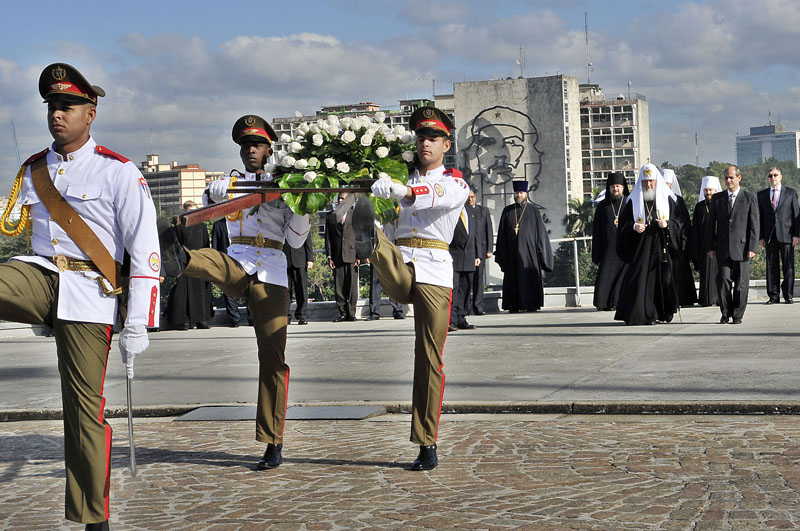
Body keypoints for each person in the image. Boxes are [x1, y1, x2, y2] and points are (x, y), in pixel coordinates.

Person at [0, 63, 160, 530]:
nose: (58, 114)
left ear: (90, 113)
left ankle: (95, 519)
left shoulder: (118, 172)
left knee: (82, 412)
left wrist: (137, 324)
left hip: (90, 295)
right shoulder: (32, 170)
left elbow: (144, 247)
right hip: (40, 277)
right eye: (52, 106)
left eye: (68, 106)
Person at [160, 114, 311, 469]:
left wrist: (302, 205)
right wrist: (213, 191)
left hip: (272, 269)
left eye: (256, 145)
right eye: (244, 146)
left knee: (273, 358)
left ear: (269, 149)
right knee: (212, 262)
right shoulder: (229, 182)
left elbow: (296, 240)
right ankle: (180, 258)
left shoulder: (284, 183)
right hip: (239, 260)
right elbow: (210, 201)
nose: (249, 151)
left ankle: (272, 440)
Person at [351, 105, 469, 470]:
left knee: (429, 359)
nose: (425, 143)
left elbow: (431, 194)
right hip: (400, 263)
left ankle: (426, 442)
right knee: (381, 245)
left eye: (433, 138)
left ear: (446, 144)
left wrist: (401, 189)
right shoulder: (396, 176)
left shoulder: (455, 183)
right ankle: (369, 242)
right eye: (421, 137)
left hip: (434, 272)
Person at [614, 164, 682, 325]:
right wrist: (633, 226)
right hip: (641, 249)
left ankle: (663, 313)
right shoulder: (632, 202)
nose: (649, 185)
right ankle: (644, 314)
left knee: (663, 281)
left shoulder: (668, 200)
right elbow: (623, 225)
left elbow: (679, 223)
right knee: (640, 281)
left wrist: (667, 225)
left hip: (661, 247)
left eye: (651, 182)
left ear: (657, 181)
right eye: (645, 182)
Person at [706, 165, 759, 324]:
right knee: (723, 282)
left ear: (739, 178)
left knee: (741, 285)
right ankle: (725, 313)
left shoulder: (749, 197)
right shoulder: (718, 198)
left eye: (731, 178)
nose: (729, 181)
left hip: (742, 249)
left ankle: (737, 315)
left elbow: (754, 224)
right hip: (722, 248)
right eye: (726, 178)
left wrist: (752, 247)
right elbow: (711, 225)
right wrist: (710, 247)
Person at [494, 180, 553, 312]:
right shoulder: (507, 211)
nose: (518, 195)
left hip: (530, 254)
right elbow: (502, 235)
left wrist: (541, 252)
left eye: (521, 193)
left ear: (526, 194)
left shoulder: (533, 210)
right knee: (513, 280)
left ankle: (532, 304)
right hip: (512, 255)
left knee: (529, 279)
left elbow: (541, 234)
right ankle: (513, 305)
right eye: (516, 193)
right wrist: (501, 254)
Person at [165, 200, 213, 329]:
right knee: (190, 293)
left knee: (194, 293)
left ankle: (193, 320)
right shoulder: (186, 227)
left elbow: (204, 245)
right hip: (190, 263)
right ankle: (191, 321)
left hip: (193, 262)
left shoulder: (196, 226)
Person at [757, 167, 799, 304]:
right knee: (771, 266)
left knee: (788, 265)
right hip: (770, 235)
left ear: (781, 176)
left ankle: (788, 295)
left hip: (786, 234)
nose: (773, 178)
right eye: (770, 176)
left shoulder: (791, 193)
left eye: (775, 175)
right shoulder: (762, 195)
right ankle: (773, 295)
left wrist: (796, 235)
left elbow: (795, 215)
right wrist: (761, 237)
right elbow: (760, 217)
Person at [591, 172, 629, 311]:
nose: (616, 189)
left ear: (623, 187)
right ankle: (604, 303)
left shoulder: (629, 203)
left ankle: (618, 302)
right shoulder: (603, 206)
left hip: (625, 248)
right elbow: (597, 231)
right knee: (605, 277)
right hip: (608, 249)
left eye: (618, 186)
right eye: (613, 186)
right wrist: (596, 252)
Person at [661, 168, 698, 307]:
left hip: (677, 242)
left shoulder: (678, 200)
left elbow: (684, 223)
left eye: (668, 184)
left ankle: (683, 299)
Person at [325, 192, 360, 321]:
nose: (340, 200)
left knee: (352, 286)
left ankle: (351, 313)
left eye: (343, 198)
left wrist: (359, 255)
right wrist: (329, 256)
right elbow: (328, 238)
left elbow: (359, 236)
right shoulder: (331, 216)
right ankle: (342, 313)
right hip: (337, 254)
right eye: (339, 198)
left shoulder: (355, 215)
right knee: (339, 286)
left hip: (352, 254)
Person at [691, 176, 722, 307]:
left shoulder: (721, 204)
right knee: (705, 273)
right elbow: (695, 228)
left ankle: (718, 298)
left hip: (719, 245)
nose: (708, 193)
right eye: (706, 190)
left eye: (711, 190)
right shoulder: (699, 207)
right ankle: (705, 299)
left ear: (716, 190)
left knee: (718, 273)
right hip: (704, 245)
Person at [448, 200, 479, 331]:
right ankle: (451, 320)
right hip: (454, 255)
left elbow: (477, 234)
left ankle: (461, 317)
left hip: (469, 256)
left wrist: (478, 255)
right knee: (454, 290)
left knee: (466, 289)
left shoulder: (471, 211)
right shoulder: (450, 211)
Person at [367, 219, 405, 320]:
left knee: (394, 280)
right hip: (376, 251)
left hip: (392, 249)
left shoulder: (393, 217)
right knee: (375, 281)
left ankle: (398, 310)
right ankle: (374, 311)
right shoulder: (373, 218)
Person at [465, 188, 493, 315]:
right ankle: (465, 308)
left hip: (480, 251)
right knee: (467, 281)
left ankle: (478, 307)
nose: (470, 199)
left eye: (472, 196)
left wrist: (489, 249)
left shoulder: (483, 211)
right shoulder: (462, 211)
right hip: (467, 251)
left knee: (478, 280)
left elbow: (489, 231)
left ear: (476, 197)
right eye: (468, 197)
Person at [211, 215, 241, 326]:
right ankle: (234, 319)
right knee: (229, 290)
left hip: (243, 260)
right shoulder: (218, 225)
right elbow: (215, 246)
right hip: (226, 262)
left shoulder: (243, 223)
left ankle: (252, 318)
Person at [284, 233, 314, 324]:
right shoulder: (281, 221)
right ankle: (286, 316)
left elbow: (308, 240)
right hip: (284, 260)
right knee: (285, 291)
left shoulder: (301, 221)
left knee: (301, 289)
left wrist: (310, 259)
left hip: (300, 259)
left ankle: (302, 315)